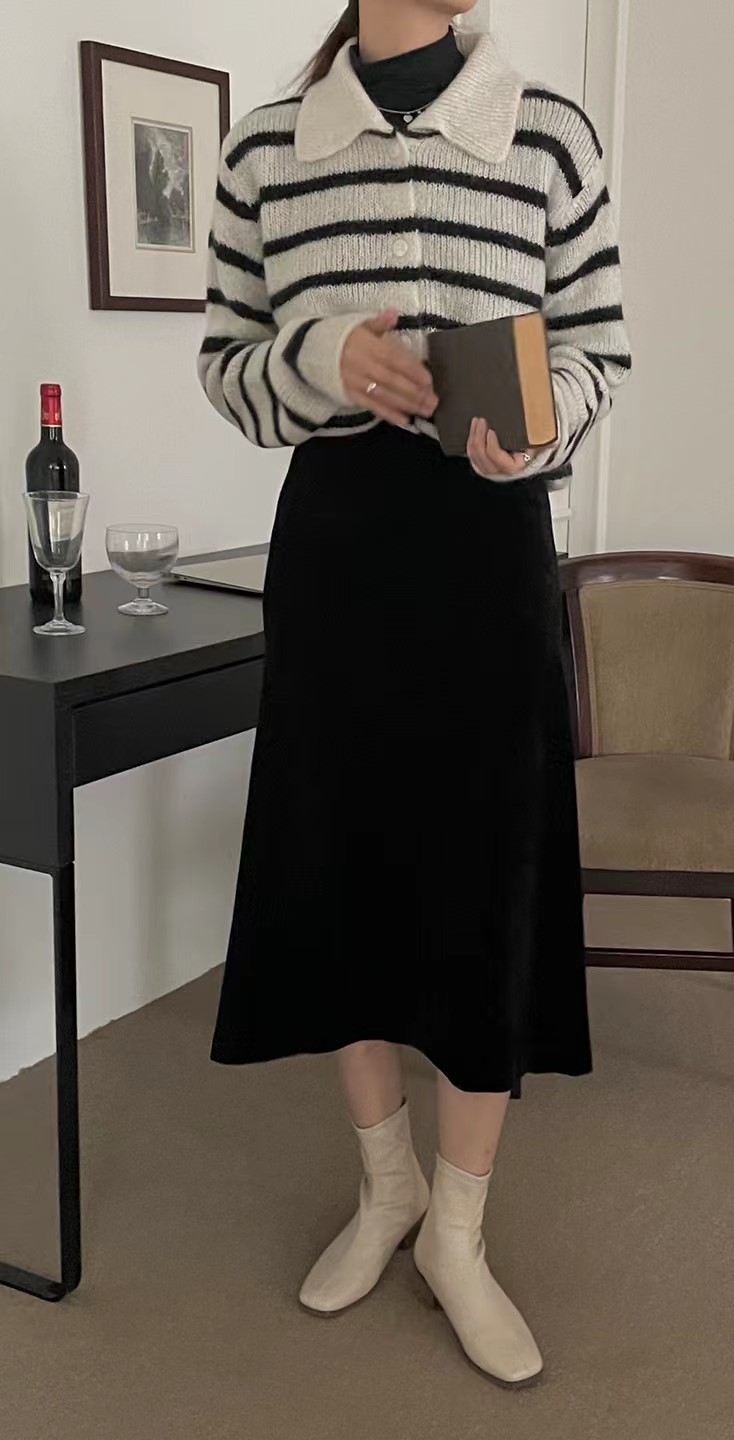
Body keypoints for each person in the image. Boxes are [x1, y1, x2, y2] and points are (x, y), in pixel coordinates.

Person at [197, 0, 630, 1387]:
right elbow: (227, 368)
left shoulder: (549, 136)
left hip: (488, 547)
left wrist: (538, 424)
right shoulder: (266, 149)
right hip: (337, 556)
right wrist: (320, 358)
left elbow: (601, 349)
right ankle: (384, 1185)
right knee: (346, 871)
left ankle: (457, 1227)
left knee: (484, 877)